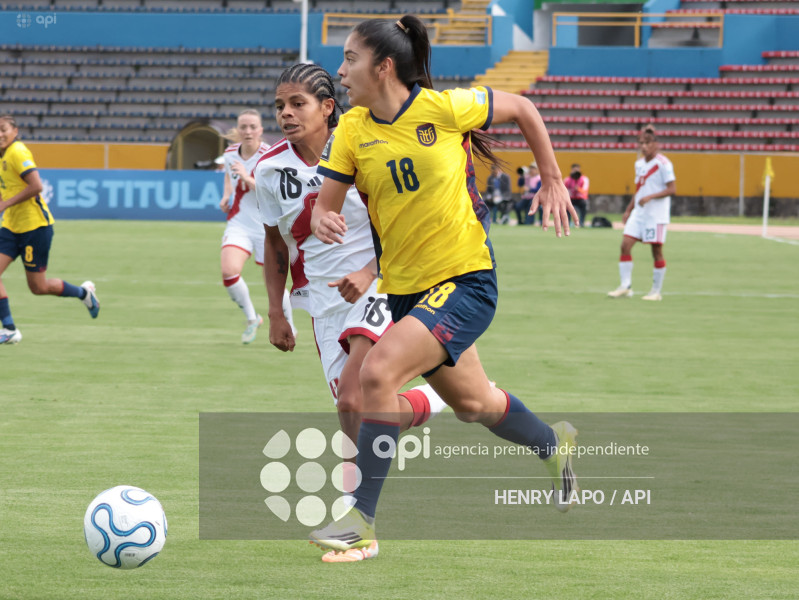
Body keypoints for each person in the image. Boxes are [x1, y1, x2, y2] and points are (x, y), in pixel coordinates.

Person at [308, 15, 580, 557]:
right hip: (408, 292)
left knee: (378, 374)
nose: (340, 71)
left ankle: (361, 518)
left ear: (384, 67)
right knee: (476, 405)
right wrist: (322, 219)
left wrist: (551, 176)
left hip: (466, 280)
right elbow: (327, 204)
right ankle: (556, 444)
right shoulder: (353, 132)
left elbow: (524, 108)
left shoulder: (444, 108)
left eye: (350, 59)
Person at [255, 63, 448, 562]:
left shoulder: (364, 146)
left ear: (327, 107)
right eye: (280, 105)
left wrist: (368, 270)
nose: (286, 114)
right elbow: (276, 247)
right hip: (322, 302)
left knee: (360, 389)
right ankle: (432, 402)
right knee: (351, 409)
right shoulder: (270, 171)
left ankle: (358, 522)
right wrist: (277, 313)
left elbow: (402, 221)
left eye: (298, 103)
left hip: (384, 282)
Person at [0, 114, 99, 345]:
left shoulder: (18, 152)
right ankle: (10, 329)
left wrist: (4, 204)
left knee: (39, 287)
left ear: (15, 130)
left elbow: (36, 186)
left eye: (3, 129)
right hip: (11, 227)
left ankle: (84, 294)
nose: (0, 134)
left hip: (35, 227)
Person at [218, 109, 295, 344]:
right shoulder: (230, 153)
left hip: (266, 226)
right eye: (243, 127)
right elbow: (229, 177)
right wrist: (226, 195)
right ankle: (252, 319)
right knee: (228, 271)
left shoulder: (269, 155)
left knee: (274, 283)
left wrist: (246, 177)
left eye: (253, 127)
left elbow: (271, 191)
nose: (248, 131)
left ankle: (289, 325)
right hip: (239, 222)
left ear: (261, 130)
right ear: (238, 130)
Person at [608, 124, 675, 301]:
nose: (643, 146)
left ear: (656, 144)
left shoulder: (664, 164)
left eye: (647, 143)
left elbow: (672, 189)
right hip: (639, 213)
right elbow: (639, 190)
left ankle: (656, 291)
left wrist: (651, 197)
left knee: (656, 251)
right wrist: (629, 209)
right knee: (625, 245)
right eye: (641, 143)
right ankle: (625, 286)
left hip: (656, 215)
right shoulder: (639, 164)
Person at [564, 163, 589, 228]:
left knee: (584, 206)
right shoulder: (567, 179)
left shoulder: (584, 179)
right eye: (574, 170)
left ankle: (581, 223)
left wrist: (578, 189)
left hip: (580, 198)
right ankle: (567, 223)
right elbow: (564, 189)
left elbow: (585, 190)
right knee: (565, 207)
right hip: (571, 198)